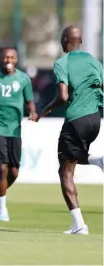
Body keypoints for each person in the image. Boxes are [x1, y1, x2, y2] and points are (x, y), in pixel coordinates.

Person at [38, 25, 103, 235]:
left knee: (65, 171)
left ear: (64, 40)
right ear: (80, 41)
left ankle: (79, 225)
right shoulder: (95, 62)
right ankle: (97, 160)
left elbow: (63, 96)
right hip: (95, 119)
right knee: (70, 157)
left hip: (76, 119)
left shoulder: (62, 63)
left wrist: (46, 108)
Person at [0, 48, 37, 222]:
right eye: (5, 57)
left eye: (11, 57)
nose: (8, 60)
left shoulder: (23, 78)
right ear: (1, 59)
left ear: (16, 59)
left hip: (15, 129)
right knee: (2, 168)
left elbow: (29, 100)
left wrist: (33, 112)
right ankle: (2, 209)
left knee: (14, 172)